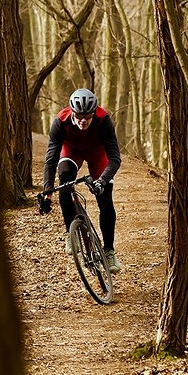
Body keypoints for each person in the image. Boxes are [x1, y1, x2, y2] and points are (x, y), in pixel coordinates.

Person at [37, 87, 123, 274]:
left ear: (93, 113)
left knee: (105, 200)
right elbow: (51, 160)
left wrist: (102, 180)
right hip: (71, 151)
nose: (83, 120)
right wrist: (48, 191)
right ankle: (71, 233)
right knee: (65, 182)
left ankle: (109, 250)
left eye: (88, 116)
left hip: (98, 153)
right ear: (72, 112)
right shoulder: (60, 122)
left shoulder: (104, 120)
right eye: (79, 116)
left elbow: (115, 158)